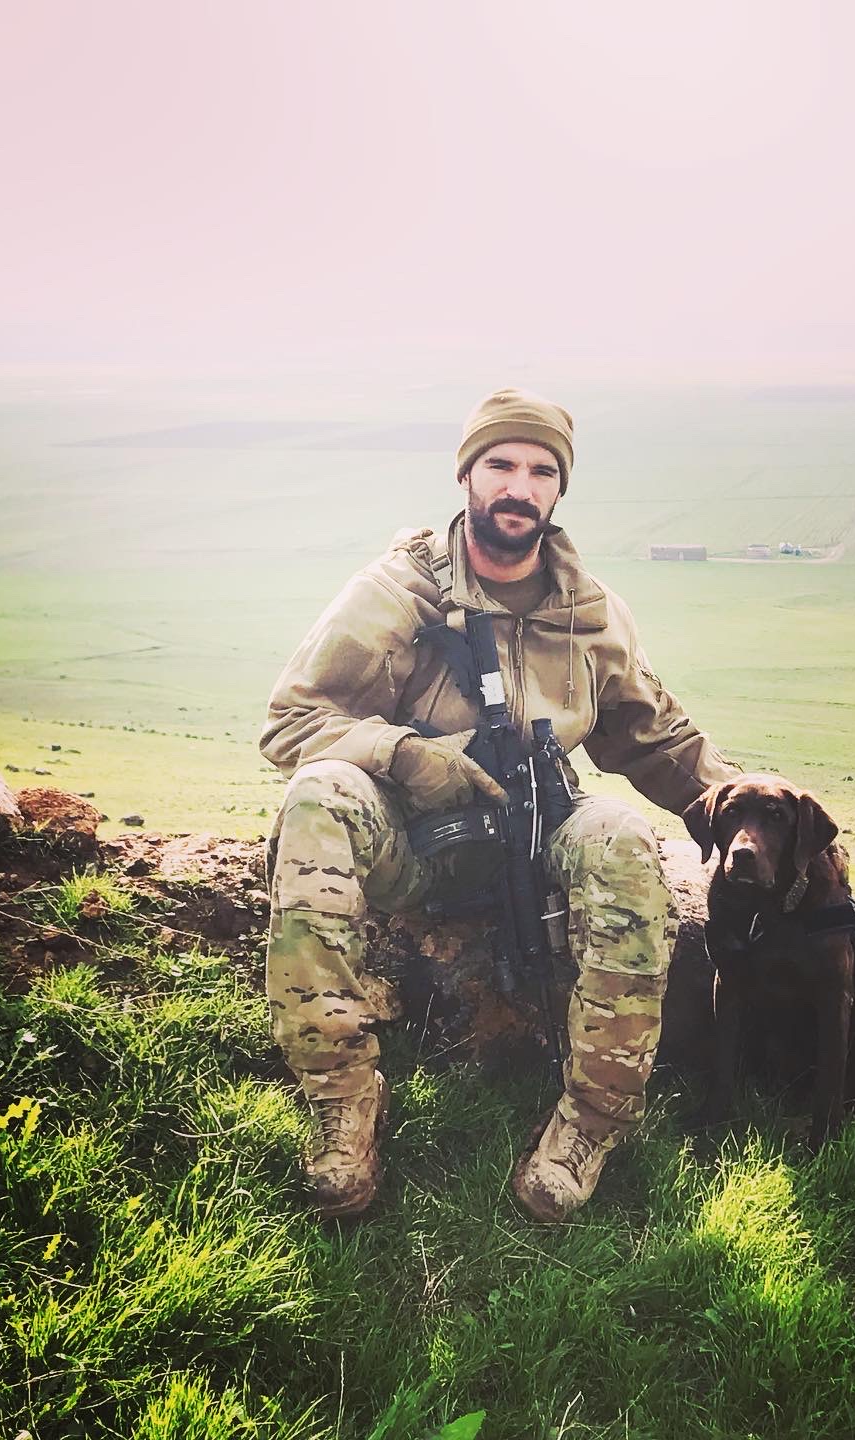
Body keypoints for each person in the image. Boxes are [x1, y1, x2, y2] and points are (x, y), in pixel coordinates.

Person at [260, 388, 738, 1221]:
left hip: (539, 837)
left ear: (558, 489)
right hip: (412, 842)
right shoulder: (396, 591)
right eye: (501, 465)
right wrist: (402, 755)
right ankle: (341, 1103)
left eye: (541, 471)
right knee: (318, 794)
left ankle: (591, 1123)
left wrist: (749, 809)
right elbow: (292, 723)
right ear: (467, 476)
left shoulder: (590, 612)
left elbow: (655, 737)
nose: (519, 487)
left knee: (622, 834)